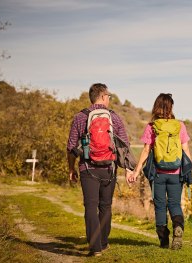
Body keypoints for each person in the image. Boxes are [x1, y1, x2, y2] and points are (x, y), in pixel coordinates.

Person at [67, 83, 131, 257]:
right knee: (106, 206)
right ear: (103, 96)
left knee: (90, 207)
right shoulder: (114, 117)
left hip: (87, 168)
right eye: (109, 96)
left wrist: (71, 168)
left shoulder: (80, 117)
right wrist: (127, 169)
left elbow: (71, 146)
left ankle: (95, 248)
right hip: (109, 169)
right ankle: (103, 242)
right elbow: (124, 145)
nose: (109, 99)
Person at [127, 93, 191, 250]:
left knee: (160, 206)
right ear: (171, 107)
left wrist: (136, 171)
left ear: (156, 107)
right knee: (175, 204)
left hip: (158, 174)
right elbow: (186, 150)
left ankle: (163, 241)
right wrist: (188, 171)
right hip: (176, 173)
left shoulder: (152, 127)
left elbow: (146, 151)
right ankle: (178, 228)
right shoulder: (179, 126)